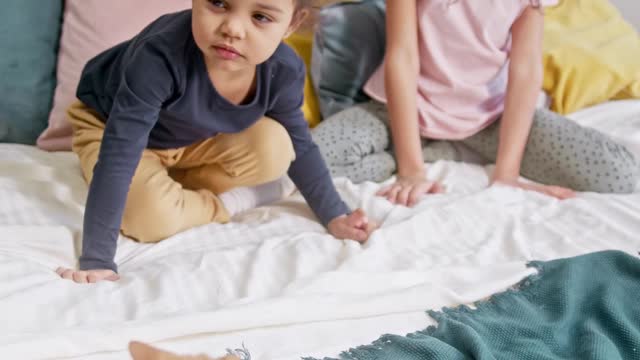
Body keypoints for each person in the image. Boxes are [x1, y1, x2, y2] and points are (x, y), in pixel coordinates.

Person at [56, 0, 376, 283]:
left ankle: (172, 191)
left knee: (277, 147)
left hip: (193, 138)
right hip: (110, 125)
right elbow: (119, 155)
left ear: (291, 24)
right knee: (149, 217)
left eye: (261, 17)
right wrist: (97, 260)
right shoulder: (159, 55)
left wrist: (335, 214)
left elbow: (301, 145)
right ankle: (229, 202)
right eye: (219, 3)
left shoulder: (283, 69)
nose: (232, 29)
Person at [312, 0, 639, 207]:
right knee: (310, 160)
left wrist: (506, 173)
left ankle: (446, 151)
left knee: (619, 175)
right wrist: (411, 170)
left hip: (488, 119)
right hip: (401, 110)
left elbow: (525, 71)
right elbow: (402, 57)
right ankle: (426, 151)